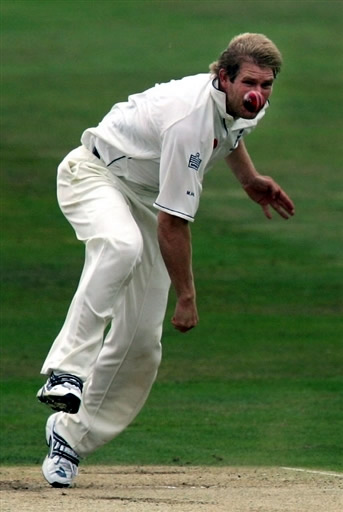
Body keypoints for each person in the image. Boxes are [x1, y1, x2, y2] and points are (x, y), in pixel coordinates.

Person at [36, 32, 295, 487]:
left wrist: (250, 179)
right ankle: (66, 371)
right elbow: (173, 224)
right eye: (251, 82)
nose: (259, 93)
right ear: (222, 76)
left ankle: (68, 439)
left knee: (141, 344)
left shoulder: (244, 103)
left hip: (143, 195)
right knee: (120, 245)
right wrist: (187, 296)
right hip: (95, 175)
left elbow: (230, 136)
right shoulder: (189, 119)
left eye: (268, 84)